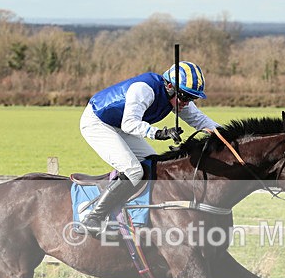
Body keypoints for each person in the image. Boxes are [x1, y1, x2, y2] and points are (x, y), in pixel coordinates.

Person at [76, 61, 220, 237]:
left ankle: (138, 213)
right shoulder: (144, 89)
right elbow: (130, 124)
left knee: (155, 165)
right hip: (98, 123)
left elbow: (201, 121)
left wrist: (229, 136)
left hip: (119, 125)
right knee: (134, 171)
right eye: (184, 96)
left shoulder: (176, 97)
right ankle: (93, 219)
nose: (187, 102)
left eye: (192, 98)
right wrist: (160, 133)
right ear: (169, 86)